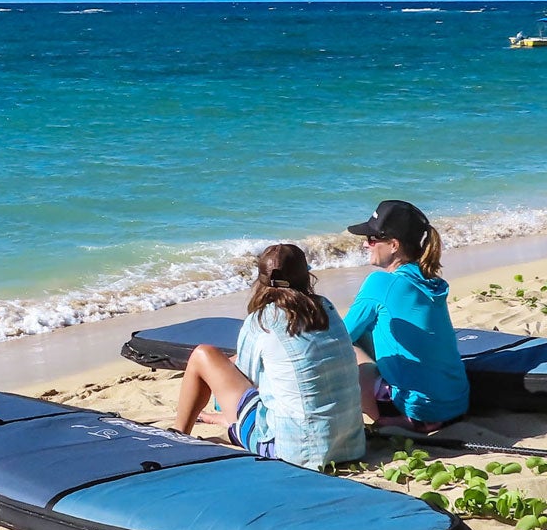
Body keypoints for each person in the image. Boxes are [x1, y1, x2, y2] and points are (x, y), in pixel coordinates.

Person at [172, 243, 365, 469]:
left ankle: (177, 436)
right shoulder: (326, 308)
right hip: (351, 445)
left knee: (202, 355)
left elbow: (247, 380)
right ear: (307, 277)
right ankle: (227, 425)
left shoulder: (262, 320)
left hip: (293, 452)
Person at [344, 199, 469, 432]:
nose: (366, 245)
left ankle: (380, 419)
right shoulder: (432, 281)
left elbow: (340, 337)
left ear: (393, 244)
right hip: (456, 402)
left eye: (372, 239)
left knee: (349, 348)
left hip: (418, 410)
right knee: (371, 331)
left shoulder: (380, 283)